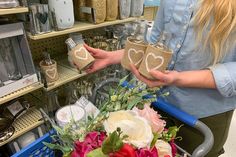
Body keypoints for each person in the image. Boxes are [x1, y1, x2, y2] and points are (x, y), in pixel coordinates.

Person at [78, 0, 236, 156]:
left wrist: (179, 78)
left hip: (204, 117)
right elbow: (153, 44)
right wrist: (112, 57)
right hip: (162, 105)